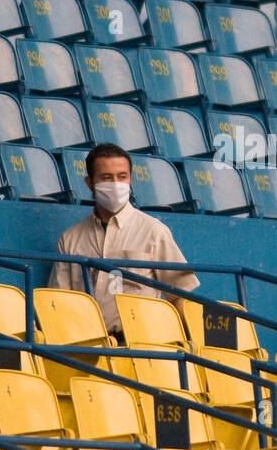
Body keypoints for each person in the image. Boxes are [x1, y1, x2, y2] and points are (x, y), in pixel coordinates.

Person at [52, 143, 199, 337]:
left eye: (122, 177)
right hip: (89, 345)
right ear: (90, 183)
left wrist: (193, 343)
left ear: (130, 179)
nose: (115, 184)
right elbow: (59, 301)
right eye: (106, 177)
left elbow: (180, 295)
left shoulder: (153, 231)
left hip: (141, 345)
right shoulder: (70, 239)